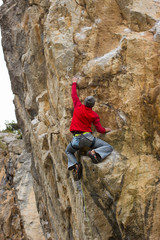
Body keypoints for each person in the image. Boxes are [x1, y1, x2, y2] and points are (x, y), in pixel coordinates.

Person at [65, 77, 113, 180]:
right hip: (88, 139)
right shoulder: (94, 115)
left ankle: (76, 164)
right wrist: (106, 130)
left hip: (76, 140)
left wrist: (74, 83)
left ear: (85, 102)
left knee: (68, 151)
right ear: (93, 105)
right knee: (109, 147)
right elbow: (100, 129)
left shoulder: (78, 106)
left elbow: (74, 95)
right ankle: (94, 152)